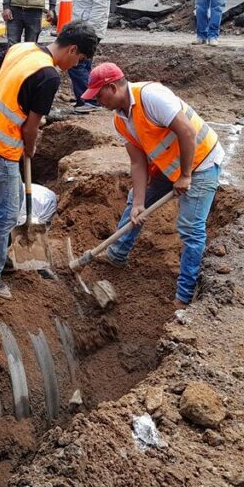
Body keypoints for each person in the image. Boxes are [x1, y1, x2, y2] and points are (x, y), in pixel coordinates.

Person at [0, 21, 99, 299]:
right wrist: (31, 146)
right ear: (73, 49)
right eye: (80, 59)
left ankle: (1, 256)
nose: (76, 64)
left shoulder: (24, 48)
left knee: (12, 207)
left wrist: (12, 92)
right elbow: (30, 128)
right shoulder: (48, 76)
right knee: (5, 214)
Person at [81, 63, 225, 308]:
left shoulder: (151, 97)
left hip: (200, 162)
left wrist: (186, 175)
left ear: (112, 87)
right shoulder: (120, 120)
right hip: (169, 165)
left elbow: (187, 133)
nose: (97, 101)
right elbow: (138, 164)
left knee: (190, 228)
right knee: (134, 201)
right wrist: (139, 204)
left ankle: (184, 295)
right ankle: (117, 254)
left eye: (98, 95)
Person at [69, 0, 111, 113]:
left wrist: (89, 32)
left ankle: (88, 100)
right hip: (84, 26)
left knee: (75, 64)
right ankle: (87, 99)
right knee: (83, 65)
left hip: (89, 28)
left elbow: (99, 4)